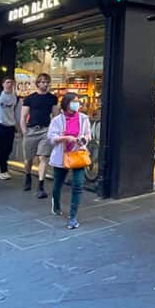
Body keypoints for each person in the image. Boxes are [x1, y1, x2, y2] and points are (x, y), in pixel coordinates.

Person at [48, 91, 92, 229]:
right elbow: (51, 138)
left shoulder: (83, 118)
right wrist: (65, 138)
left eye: (78, 101)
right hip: (62, 156)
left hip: (77, 155)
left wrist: (83, 140)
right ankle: (56, 204)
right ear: (66, 104)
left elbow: (88, 135)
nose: (77, 104)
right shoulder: (57, 120)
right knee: (58, 184)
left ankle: (73, 216)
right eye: (74, 101)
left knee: (78, 184)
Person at [22, 73, 59, 198]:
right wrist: (24, 131)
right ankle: (27, 176)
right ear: (38, 83)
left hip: (45, 130)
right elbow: (23, 117)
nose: (45, 84)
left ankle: (40, 186)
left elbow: (55, 116)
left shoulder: (52, 98)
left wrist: (54, 131)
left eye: (47, 82)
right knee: (28, 159)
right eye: (42, 82)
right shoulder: (29, 98)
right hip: (31, 130)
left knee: (43, 158)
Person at [0, 78, 20, 179]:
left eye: (12, 82)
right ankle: (3, 171)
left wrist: (19, 128)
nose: (10, 84)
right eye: (7, 82)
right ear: (3, 84)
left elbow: (17, 114)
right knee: (1, 148)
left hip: (10, 126)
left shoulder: (16, 98)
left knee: (9, 149)